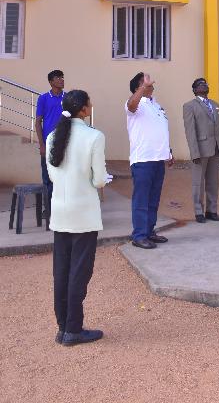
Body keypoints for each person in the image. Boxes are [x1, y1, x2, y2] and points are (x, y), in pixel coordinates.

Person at [46, 89, 107, 346]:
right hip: (84, 214)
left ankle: (63, 327)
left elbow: (52, 175)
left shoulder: (52, 136)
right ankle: (74, 329)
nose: (91, 106)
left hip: (60, 212)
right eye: (89, 103)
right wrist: (93, 181)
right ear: (83, 109)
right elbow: (100, 179)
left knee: (61, 271)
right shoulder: (94, 136)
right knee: (79, 272)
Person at [126, 72, 174, 249]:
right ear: (138, 87)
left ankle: (148, 231)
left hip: (158, 159)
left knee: (153, 199)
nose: (151, 83)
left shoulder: (156, 105)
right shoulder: (135, 104)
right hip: (143, 160)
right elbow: (131, 105)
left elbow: (159, 130)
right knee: (141, 199)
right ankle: (138, 235)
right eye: (145, 82)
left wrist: (168, 151)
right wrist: (142, 89)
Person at [183, 77, 219, 223]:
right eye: (200, 84)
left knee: (213, 182)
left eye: (205, 84)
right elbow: (190, 131)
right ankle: (198, 212)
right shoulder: (189, 106)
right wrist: (194, 152)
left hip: (215, 148)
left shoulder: (215, 105)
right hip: (200, 150)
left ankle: (212, 210)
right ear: (195, 90)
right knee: (198, 182)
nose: (204, 86)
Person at [36, 70, 65, 203]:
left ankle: (61, 208)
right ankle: (47, 209)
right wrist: (41, 145)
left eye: (62, 77)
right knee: (47, 177)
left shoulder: (68, 97)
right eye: (58, 78)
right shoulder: (43, 98)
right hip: (48, 143)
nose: (61, 80)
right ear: (51, 81)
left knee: (64, 175)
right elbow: (38, 122)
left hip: (64, 142)